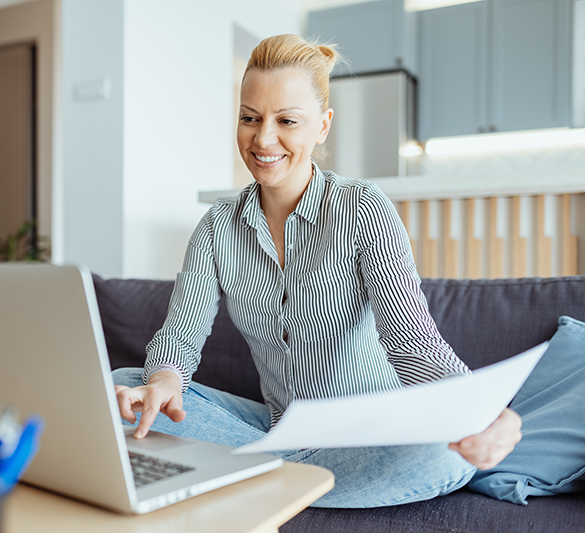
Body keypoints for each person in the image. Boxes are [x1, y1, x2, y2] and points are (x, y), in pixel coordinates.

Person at [112, 34, 522, 508]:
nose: (263, 139)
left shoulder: (362, 208)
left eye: (287, 120)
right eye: (250, 118)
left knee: (445, 453)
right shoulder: (215, 229)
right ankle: (284, 477)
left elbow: (413, 342)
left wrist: (481, 411)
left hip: (371, 439)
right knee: (123, 389)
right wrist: (163, 379)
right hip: (276, 429)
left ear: (323, 126)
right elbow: (180, 338)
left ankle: (248, 476)